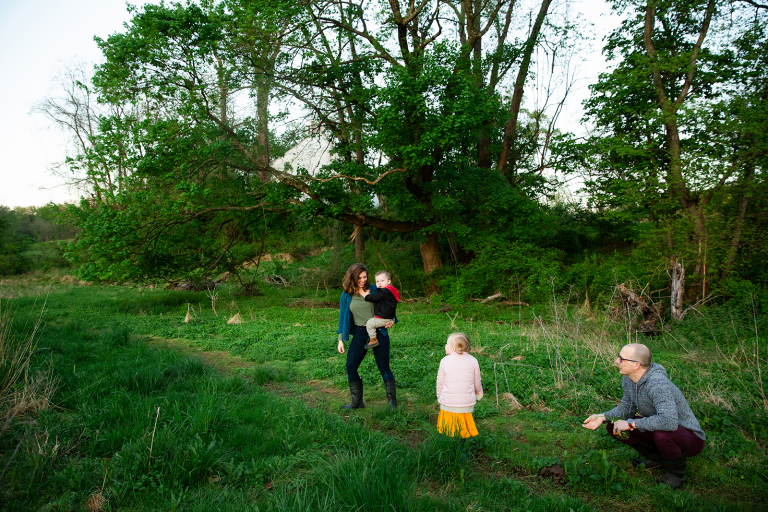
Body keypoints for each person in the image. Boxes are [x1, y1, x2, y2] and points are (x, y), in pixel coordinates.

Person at [582, 343, 706, 489]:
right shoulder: (629, 378)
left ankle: (676, 474)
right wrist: (602, 416)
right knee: (613, 426)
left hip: (690, 437)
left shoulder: (657, 383)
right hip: (661, 427)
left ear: (637, 365)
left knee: (661, 433)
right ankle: (657, 458)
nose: (617, 361)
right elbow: (627, 407)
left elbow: (669, 422)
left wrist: (630, 424)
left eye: (622, 359)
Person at [336, 263, 398, 410]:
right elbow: (342, 317)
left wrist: (392, 319)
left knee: (384, 367)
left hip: (378, 331)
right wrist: (340, 339)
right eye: (359, 278)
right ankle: (357, 402)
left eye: (365, 277)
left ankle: (392, 404)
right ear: (352, 277)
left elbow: (390, 302)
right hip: (359, 333)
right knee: (351, 366)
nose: (363, 280)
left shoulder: (375, 289)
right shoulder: (346, 295)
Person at [436, 332, 483, 439]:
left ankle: (443, 445)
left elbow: (440, 382)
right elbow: (477, 381)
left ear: (453, 349)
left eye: (447, 344)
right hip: (466, 404)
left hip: (447, 403)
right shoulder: (473, 361)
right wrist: (479, 394)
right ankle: (461, 447)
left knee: (445, 426)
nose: (445, 346)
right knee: (463, 429)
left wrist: (439, 397)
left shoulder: (444, 361)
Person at [360, 270, 400, 350]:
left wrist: (367, 297)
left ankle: (373, 339)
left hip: (384, 318)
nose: (379, 283)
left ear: (389, 281)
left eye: (382, 280)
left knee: (370, 323)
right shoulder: (389, 290)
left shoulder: (385, 291)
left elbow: (375, 297)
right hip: (388, 316)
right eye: (377, 281)